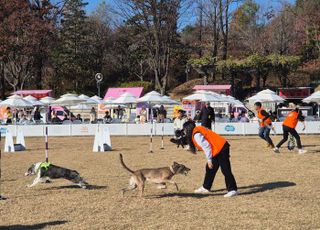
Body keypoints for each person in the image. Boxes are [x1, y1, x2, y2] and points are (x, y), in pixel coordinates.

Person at [182, 120, 238, 197]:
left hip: (221, 148)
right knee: (210, 168)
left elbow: (206, 146)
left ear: (188, 129)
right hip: (217, 149)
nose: (184, 132)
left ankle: (232, 190)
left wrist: (209, 160)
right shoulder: (197, 130)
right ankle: (206, 187)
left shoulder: (196, 134)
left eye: (184, 129)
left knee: (225, 169)